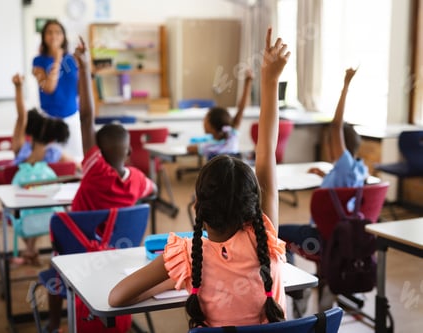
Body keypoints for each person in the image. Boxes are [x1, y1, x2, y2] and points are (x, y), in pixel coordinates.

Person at [108, 28, 290, 328]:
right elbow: (265, 153)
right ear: (253, 205)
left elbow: (117, 298)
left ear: (197, 207)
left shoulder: (190, 257)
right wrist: (270, 82)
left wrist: (172, 282)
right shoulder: (265, 240)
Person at [44, 37, 157, 333]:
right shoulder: (137, 181)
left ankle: (55, 325)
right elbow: (153, 191)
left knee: (54, 270)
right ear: (130, 153)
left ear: (97, 154)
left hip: (77, 256)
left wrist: (82, 67)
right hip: (119, 256)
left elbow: (86, 116)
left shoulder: (95, 170)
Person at [278, 67, 368, 314]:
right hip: (347, 242)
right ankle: (327, 279)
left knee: (277, 234)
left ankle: (298, 290)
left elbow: (336, 125)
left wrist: (345, 85)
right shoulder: (358, 170)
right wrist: (325, 175)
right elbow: (345, 189)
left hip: (320, 242)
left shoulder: (344, 163)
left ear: (339, 146)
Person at [10, 74, 75, 266]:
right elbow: (75, 167)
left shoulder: (21, 149)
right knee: (41, 202)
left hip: (23, 206)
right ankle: (31, 250)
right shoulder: (54, 153)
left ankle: (30, 249)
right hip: (49, 208)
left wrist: (18, 88)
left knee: (27, 207)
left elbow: (21, 115)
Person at [32, 20, 84, 161]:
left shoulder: (72, 60)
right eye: (49, 32)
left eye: (58, 32)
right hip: (49, 119)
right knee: (51, 161)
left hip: (72, 117)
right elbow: (48, 87)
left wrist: (86, 67)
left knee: (76, 160)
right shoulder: (38, 61)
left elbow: (80, 90)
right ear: (43, 37)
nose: (54, 36)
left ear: (63, 36)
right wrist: (57, 59)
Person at [186, 69, 254, 158]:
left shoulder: (207, 147)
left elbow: (189, 148)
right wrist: (248, 83)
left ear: (211, 127)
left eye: (205, 119)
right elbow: (241, 109)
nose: (203, 122)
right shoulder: (232, 136)